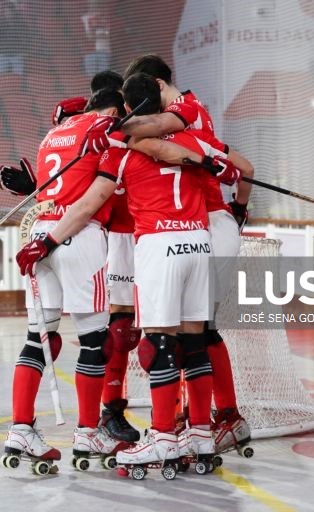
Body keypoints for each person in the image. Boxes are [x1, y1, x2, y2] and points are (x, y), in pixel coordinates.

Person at [117, 55, 255, 456]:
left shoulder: (185, 109)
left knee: (177, 334)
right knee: (197, 330)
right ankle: (198, 423)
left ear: (159, 86)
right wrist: (239, 212)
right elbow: (243, 168)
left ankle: (205, 420)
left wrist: (112, 125)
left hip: (197, 223)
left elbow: (150, 134)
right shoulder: (199, 128)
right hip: (208, 226)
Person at [1, 90, 133, 471]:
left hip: (40, 229)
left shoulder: (53, 132)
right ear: (114, 109)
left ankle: (21, 428)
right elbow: (91, 196)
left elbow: (53, 186)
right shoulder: (106, 128)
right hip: (77, 234)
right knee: (96, 341)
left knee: (39, 337)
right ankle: (88, 431)